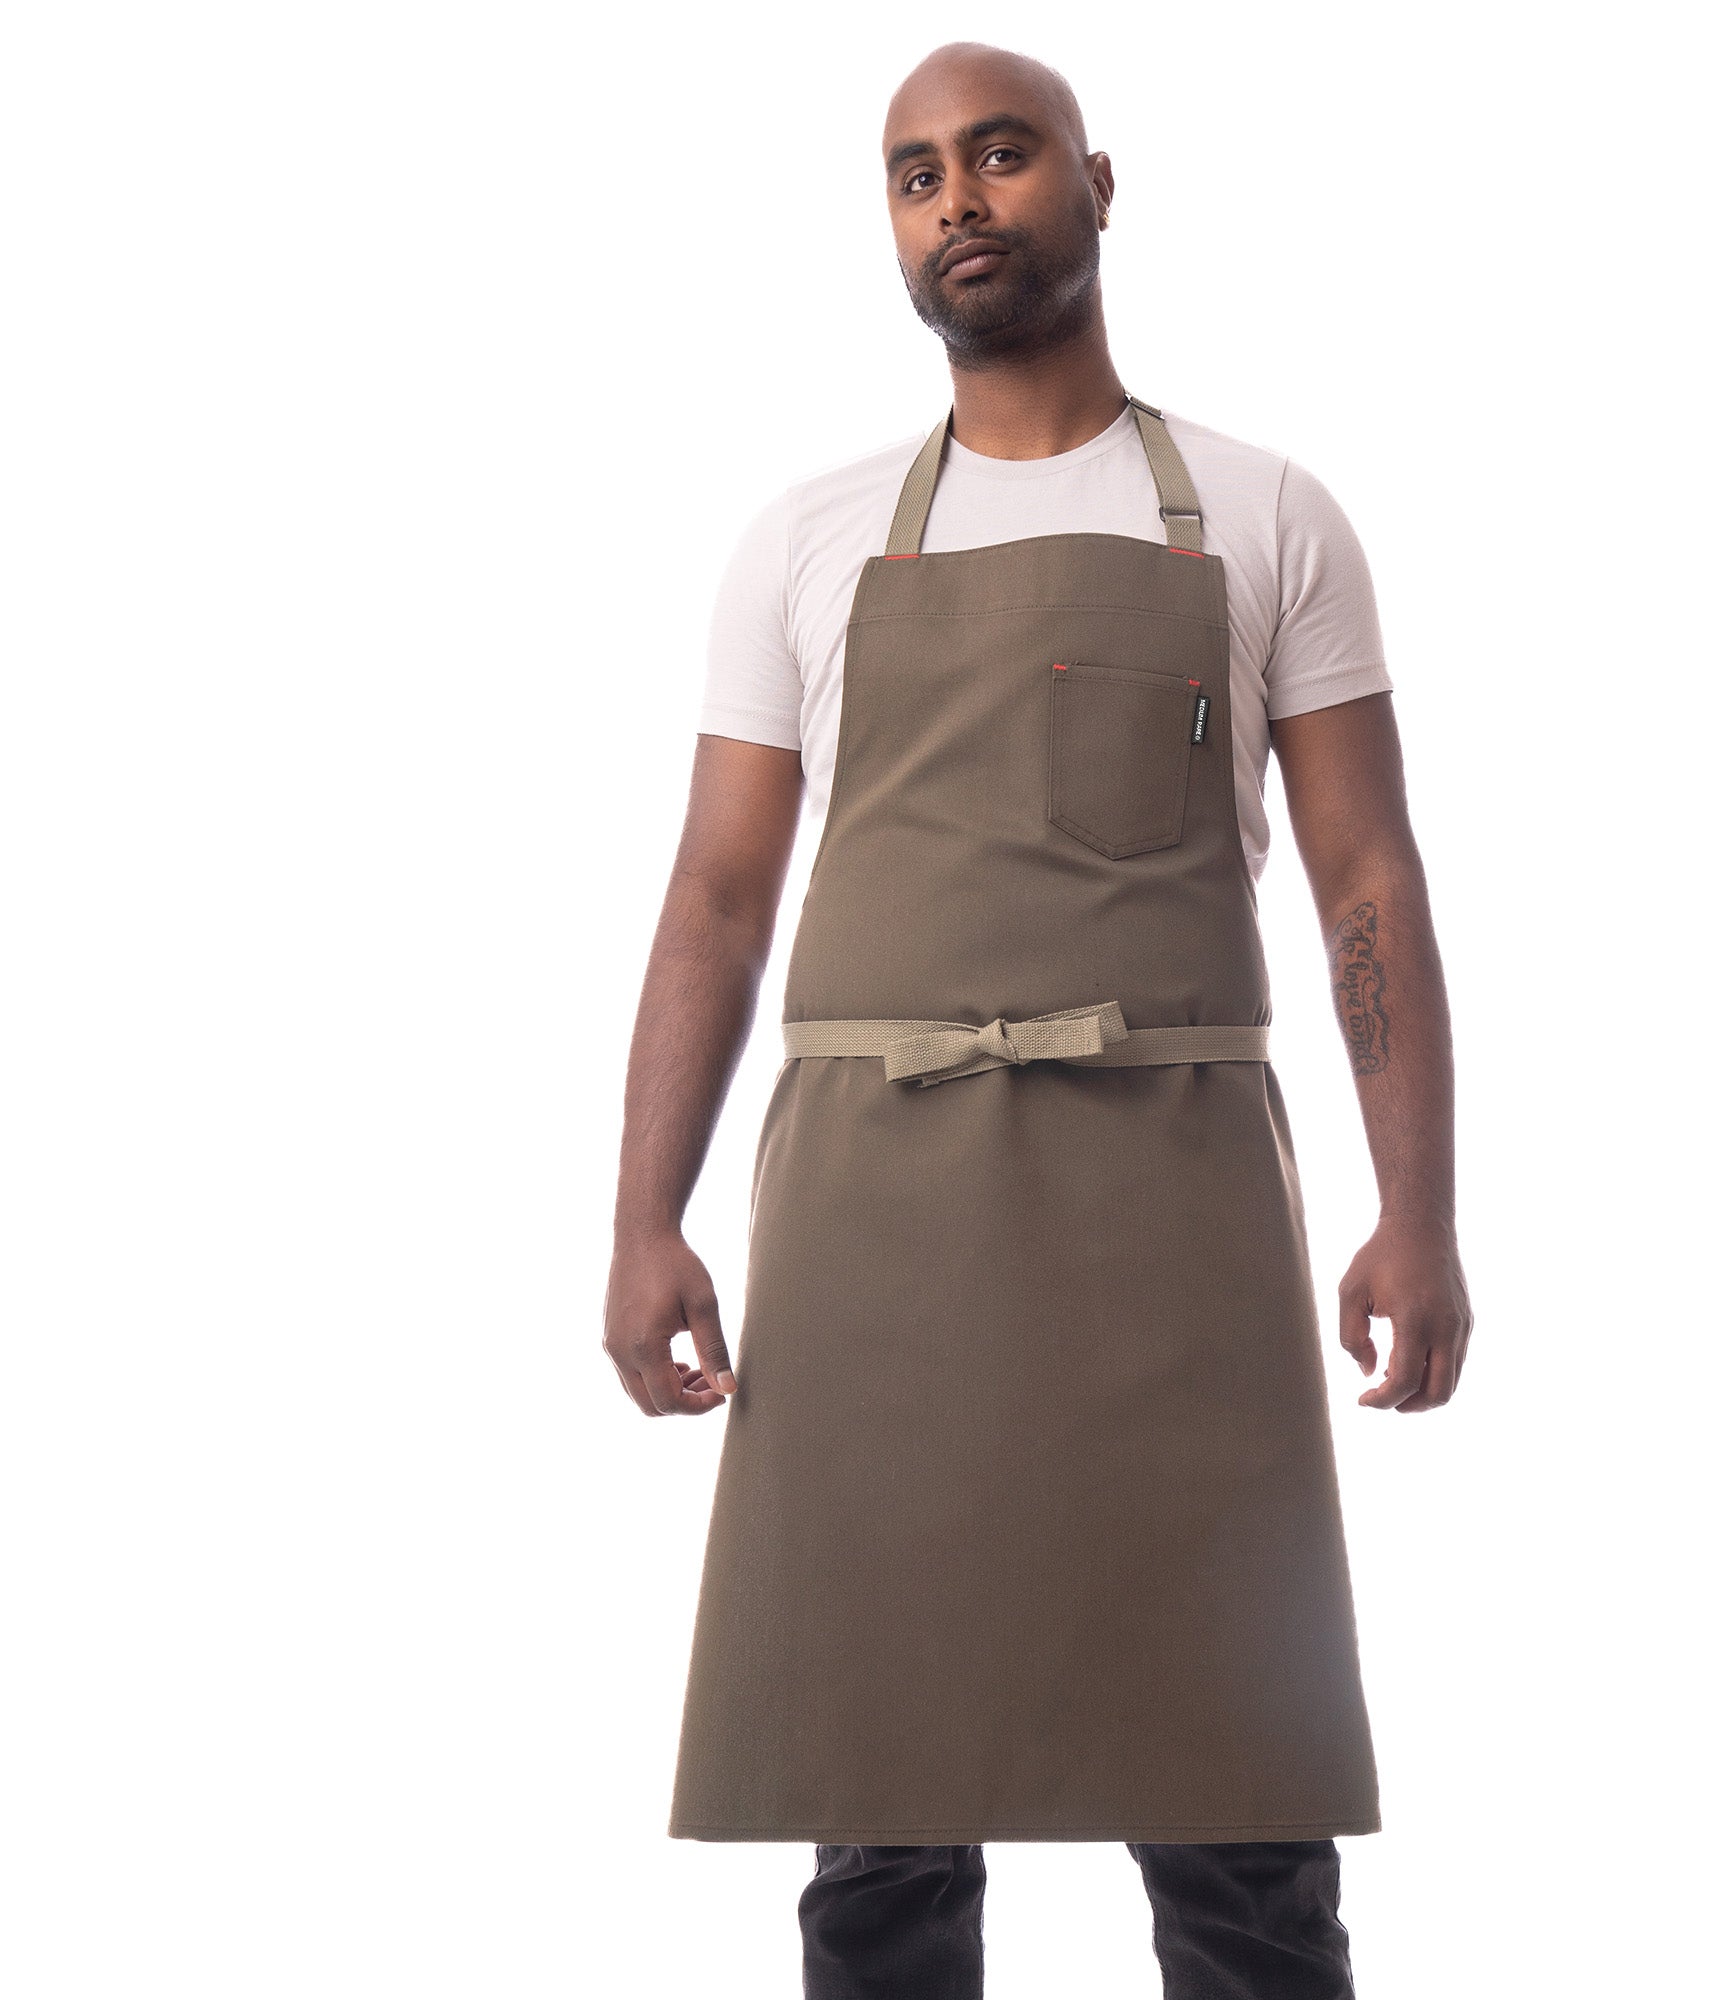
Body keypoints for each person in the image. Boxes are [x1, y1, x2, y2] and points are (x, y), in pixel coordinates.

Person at [602, 39, 1472, 2000]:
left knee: (1243, 1818)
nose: (958, 200)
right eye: (915, 174)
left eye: (998, 154)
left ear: (1097, 182)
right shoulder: (811, 537)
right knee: (877, 1811)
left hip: (1176, 1208)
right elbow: (717, 896)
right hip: (877, 1217)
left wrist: (1414, 1212)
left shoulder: (1266, 511)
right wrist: (644, 1216)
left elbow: (1366, 882)